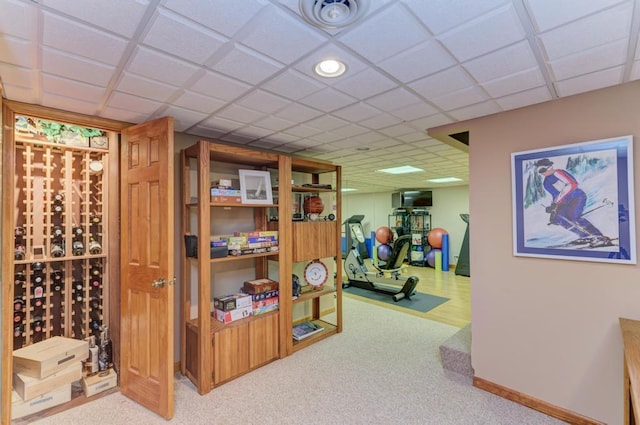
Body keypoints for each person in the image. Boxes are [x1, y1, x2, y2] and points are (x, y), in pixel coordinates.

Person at [534, 158, 611, 246]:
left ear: (549, 167)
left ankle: (599, 236)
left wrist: (556, 203)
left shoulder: (558, 173)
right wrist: (553, 209)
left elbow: (572, 184)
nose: (541, 173)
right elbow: (555, 195)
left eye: (542, 170)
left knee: (574, 217)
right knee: (559, 219)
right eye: (539, 171)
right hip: (564, 202)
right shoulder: (546, 183)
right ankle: (584, 236)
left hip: (576, 197)